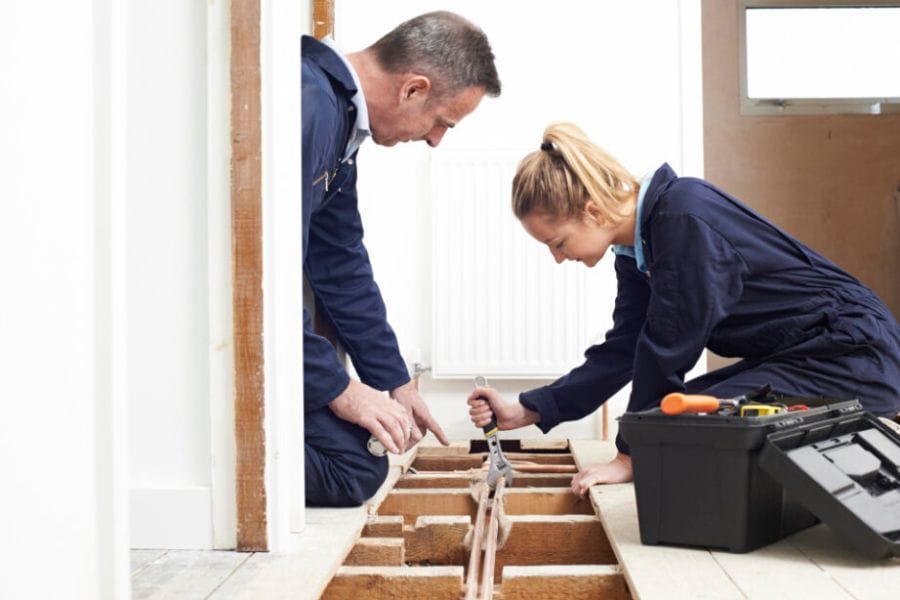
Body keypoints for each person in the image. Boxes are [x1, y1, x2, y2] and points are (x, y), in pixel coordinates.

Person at [468, 122, 900, 497]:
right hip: (805, 354)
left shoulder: (681, 218)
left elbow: (668, 347)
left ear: (593, 211)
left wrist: (629, 455)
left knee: (678, 422)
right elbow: (625, 350)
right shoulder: (637, 249)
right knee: (678, 411)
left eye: (557, 243)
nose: (558, 258)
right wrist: (530, 408)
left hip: (853, 356)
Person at [303, 12, 501, 506]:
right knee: (353, 469)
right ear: (413, 89)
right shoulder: (309, 106)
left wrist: (393, 381)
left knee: (360, 461)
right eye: (441, 122)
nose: (436, 139)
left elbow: (341, 262)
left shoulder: (339, 120)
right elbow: (256, 280)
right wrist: (341, 389)